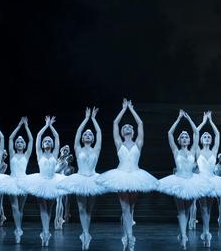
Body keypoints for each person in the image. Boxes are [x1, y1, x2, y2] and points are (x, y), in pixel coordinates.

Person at [96, 99, 158, 251]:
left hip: (136, 176)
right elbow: (115, 123)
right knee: (124, 208)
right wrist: (124, 109)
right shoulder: (119, 143)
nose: (128, 127)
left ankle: (127, 236)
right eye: (125, 127)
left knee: (131, 208)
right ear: (122, 132)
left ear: (134, 132)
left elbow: (141, 123)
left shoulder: (138, 143)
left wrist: (132, 109)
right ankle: (129, 238)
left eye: (130, 126)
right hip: (121, 175)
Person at [157, 110, 212, 249]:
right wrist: (178, 119)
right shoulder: (176, 150)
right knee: (181, 211)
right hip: (178, 181)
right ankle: (183, 238)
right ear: (179, 140)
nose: (185, 137)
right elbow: (169, 133)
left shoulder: (193, 149)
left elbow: (196, 133)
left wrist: (189, 119)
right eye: (182, 136)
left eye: (186, 136)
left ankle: (183, 235)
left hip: (192, 181)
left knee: (187, 210)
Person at [58, 107, 107, 249]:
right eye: (85, 134)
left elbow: (99, 132)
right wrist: (86, 118)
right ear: (82, 138)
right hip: (80, 178)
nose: (87, 135)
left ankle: (86, 232)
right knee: (81, 208)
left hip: (92, 178)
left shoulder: (96, 149)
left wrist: (93, 118)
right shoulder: (77, 148)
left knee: (89, 208)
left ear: (92, 139)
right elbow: (78, 132)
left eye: (89, 135)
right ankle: (85, 233)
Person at [21, 116, 67, 246]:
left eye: (49, 141)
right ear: (42, 145)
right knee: (42, 207)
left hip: (53, 181)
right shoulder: (39, 153)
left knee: (50, 207)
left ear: (52, 145)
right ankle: (45, 231)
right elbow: (38, 138)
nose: (47, 141)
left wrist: (51, 126)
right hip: (40, 181)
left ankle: (46, 231)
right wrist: (46, 126)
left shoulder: (55, 153)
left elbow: (57, 137)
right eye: (45, 141)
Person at [195, 111, 221, 246]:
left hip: (212, 180)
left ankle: (207, 232)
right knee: (203, 207)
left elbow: (217, 134)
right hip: (201, 180)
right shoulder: (198, 151)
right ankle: (206, 233)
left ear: (210, 140)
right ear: (201, 139)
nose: (206, 136)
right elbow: (195, 132)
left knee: (209, 208)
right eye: (204, 136)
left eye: (208, 136)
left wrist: (210, 121)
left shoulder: (214, 151)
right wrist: (203, 121)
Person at [0, 117, 32, 243]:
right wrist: (19, 125)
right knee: (14, 207)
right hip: (12, 181)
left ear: (24, 145)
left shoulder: (27, 154)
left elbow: (31, 140)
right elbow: (11, 138)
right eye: (18, 142)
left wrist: (26, 126)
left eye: (21, 142)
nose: (19, 143)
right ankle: (18, 230)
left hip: (24, 181)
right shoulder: (12, 153)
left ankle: (19, 227)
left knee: (20, 209)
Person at [54, 145, 74, 230]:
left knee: (59, 201)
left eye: (67, 151)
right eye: (64, 150)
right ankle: (59, 219)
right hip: (55, 179)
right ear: (61, 150)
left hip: (61, 180)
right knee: (58, 201)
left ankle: (58, 219)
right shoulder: (57, 160)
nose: (65, 151)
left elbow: (57, 171)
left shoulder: (65, 162)